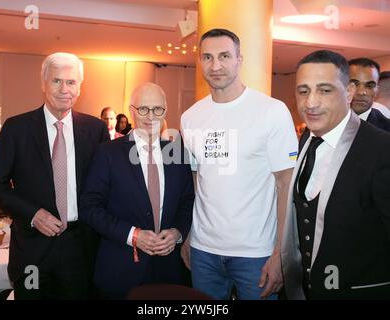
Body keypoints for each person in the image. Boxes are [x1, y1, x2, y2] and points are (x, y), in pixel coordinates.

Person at [180, 28, 297, 300]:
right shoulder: (190, 117)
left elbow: (286, 184)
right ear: (200, 62)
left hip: (256, 253)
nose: (215, 65)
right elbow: (198, 181)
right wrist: (190, 235)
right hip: (203, 250)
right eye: (207, 57)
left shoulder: (271, 111)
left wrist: (281, 252)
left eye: (224, 56)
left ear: (239, 59)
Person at [0, 52, 110, 299]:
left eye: (71, 82)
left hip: (81, 250)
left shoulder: (96, 130)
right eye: (56, 81)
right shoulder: (16, 128)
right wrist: (33, 214)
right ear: (43, 83)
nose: (64, 89)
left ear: (80, 87)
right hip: (32, 249)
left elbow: (106, 187)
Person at [281, 50, 390, 299]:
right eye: (303, 91)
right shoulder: (306, 140)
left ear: (349, 92)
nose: (311, 102)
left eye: (325, 90)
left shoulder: (382, 149)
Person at [79, 82, 194, 299]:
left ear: (165, 111)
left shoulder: (178, 154)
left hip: (169, 271)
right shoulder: (108, 153)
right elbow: (88, 207)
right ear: (132, 111)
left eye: (157, 109)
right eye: (143, 109)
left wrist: (178, 232)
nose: (150, 116)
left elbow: (188, 201)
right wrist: (133, 235)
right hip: (121, 271)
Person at [348, 58, 390, 131]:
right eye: (354, 84)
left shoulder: (387, 129)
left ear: (377, 91)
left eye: (369, 86)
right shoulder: (324, 122)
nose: (361, 92)